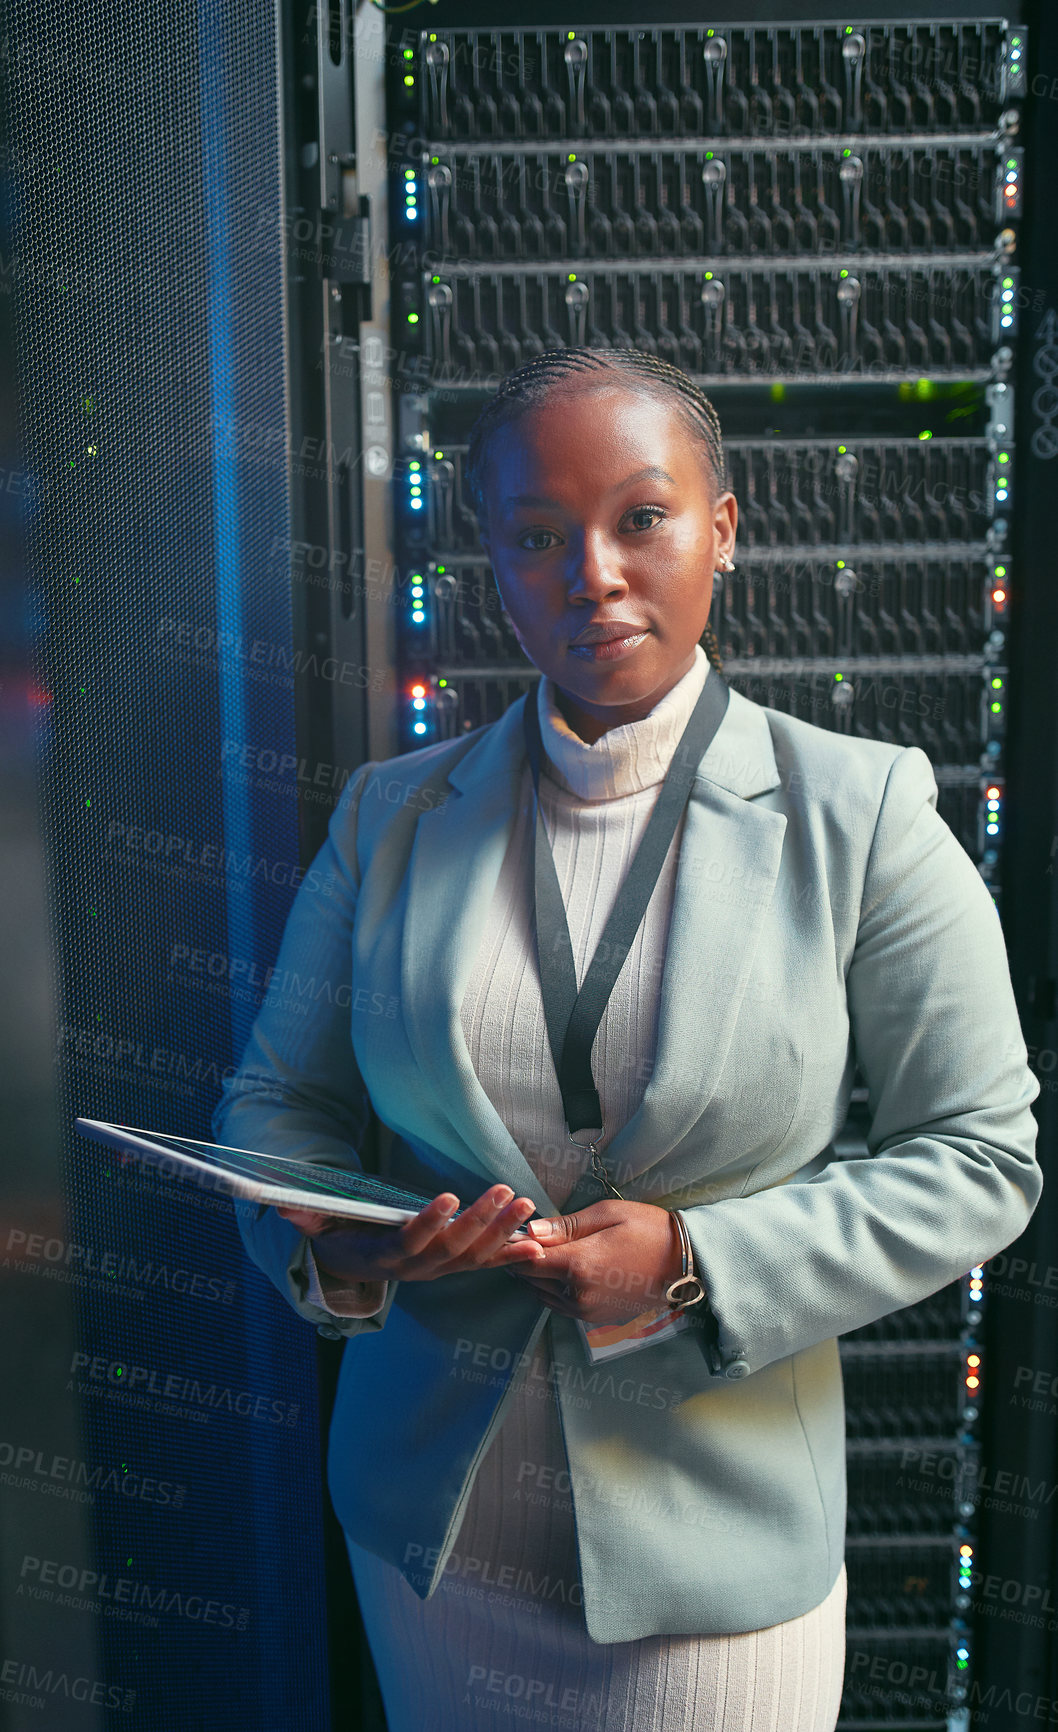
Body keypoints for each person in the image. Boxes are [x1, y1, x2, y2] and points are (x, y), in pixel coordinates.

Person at [213, 348, 1042, 1731]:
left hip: (715, 1558)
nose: (588, 572)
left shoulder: (863, 813)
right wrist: (331, 1246)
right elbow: (274, 1101)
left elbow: (980, 1159)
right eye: (535, 537)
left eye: (639, 519)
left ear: (723, 528)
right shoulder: (389, 816)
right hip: (431, 1539)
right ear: (491, 563)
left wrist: (698, 1264)